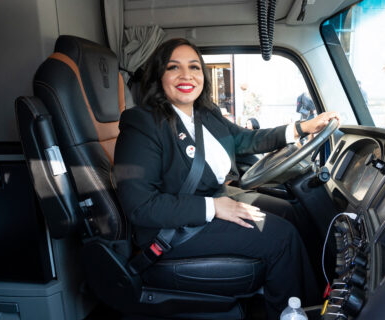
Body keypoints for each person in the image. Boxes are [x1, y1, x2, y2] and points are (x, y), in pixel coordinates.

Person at [113, 38, 340, 319]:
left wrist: (300, 128)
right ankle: (289, 313)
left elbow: (245, 139)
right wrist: (214, 207)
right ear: (159, 76)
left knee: (290, 212)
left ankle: (316, 301)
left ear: (203, 76)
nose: (187, 75)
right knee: (282, 238)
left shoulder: (206, 114)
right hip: (172, 229)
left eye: (194, 67)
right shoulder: (142, 123)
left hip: (213, 199)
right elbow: (140, 206)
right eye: (174, 67)